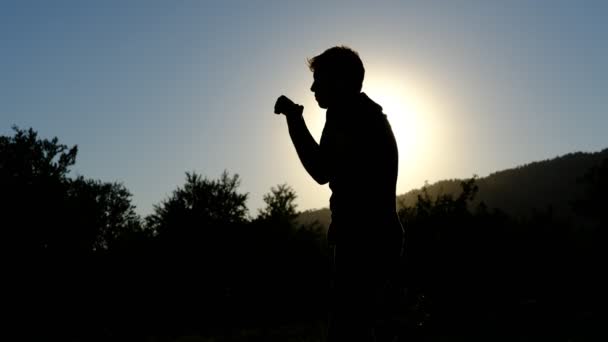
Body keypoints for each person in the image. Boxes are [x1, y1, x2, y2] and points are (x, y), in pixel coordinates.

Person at [274, 46, 405, 342]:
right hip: (373, 237)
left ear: (341, 81)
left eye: (319, 80)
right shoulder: (361, 113)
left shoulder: (348, 115)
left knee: (349, 332)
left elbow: (321, 171)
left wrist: (294, 120)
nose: (312, 87)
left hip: (364, 240)